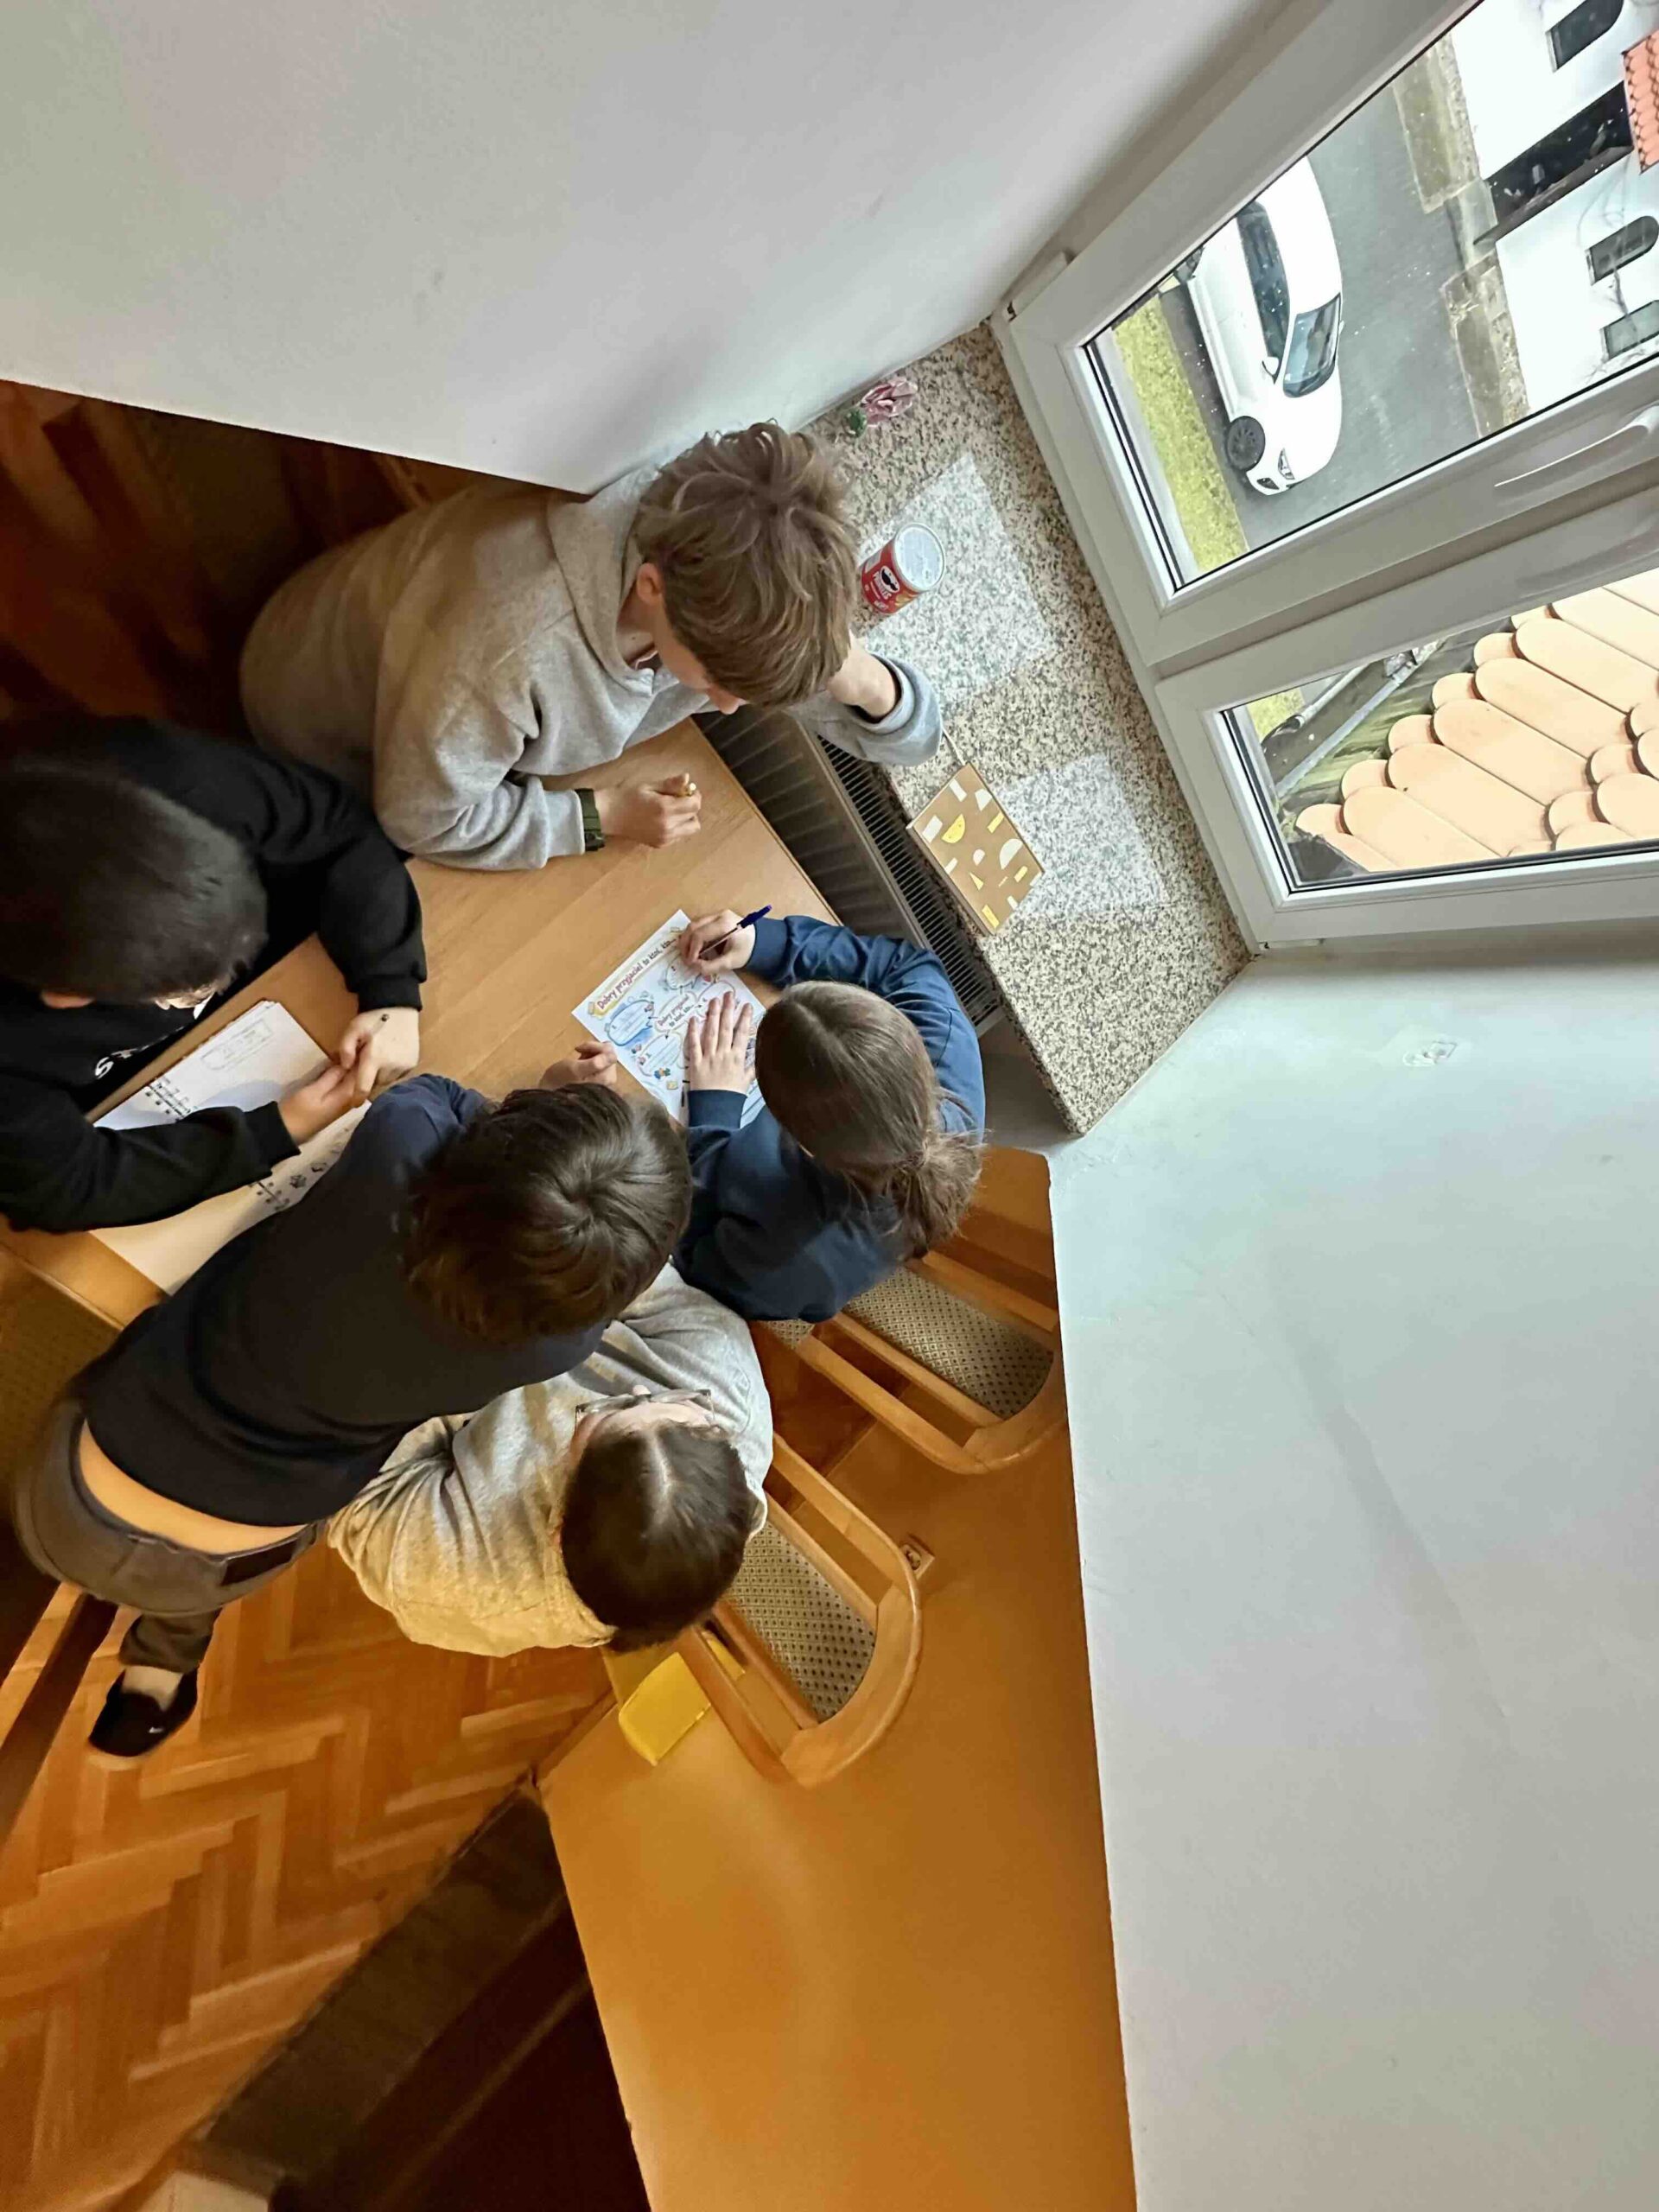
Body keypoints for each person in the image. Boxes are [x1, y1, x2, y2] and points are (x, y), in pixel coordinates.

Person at [6, 1064, 690, 1762]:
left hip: (63, 1507)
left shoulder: (394, 1157)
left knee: (164, 1426)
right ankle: (165, 1662)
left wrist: (548, 1114)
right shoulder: (556, 1347)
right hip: (240, 1549)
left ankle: (167, 1654)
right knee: (193, 1572)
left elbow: (435, 1093)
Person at [238, 423, 941, 870]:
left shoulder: (726, 582)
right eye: (716, 681)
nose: (727, 707)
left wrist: (853, 673)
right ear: (652, 589)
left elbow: (913, 742)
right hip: (316, 730)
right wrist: (600, 816)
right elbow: (421, 818)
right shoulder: (511, 652)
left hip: (426, 713)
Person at [0, 715, 426, 1234]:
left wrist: (391, 987)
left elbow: (336, 828)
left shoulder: (161, 780)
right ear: (66, 997)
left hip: (302, 985)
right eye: (180, 989)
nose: (215, 983)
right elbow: (66, 1186)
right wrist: (278, 1130)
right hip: (135, 1097)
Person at [329, 1266, 770, 1656]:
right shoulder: (730, 1394)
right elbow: (638, 1275)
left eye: (606, 1415)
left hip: (390, 1349)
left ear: (557, 1528)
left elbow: (354, 1477)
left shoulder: (453, 1579)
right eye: (673, 1405)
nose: (639, 1393)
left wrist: (460, 1354)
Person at [672, 911, 985, 1322]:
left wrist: (714, 1113)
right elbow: (909, 966)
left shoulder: (789, 1254)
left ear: (797, 1138)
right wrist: (765, 943)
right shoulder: (945, 1047)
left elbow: (694, 1262)